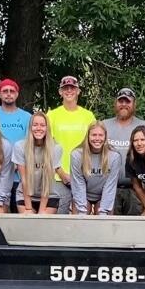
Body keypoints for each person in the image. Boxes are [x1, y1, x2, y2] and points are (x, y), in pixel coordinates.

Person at [46, 75, 95, 213]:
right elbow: (47, 146)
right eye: (65, 88)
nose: (69, 91)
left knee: (81, 216)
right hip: (58, 175)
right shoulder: (52, 115)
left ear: (78, 91)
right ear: (60, 92)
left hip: (83, 174)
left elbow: (95, 144)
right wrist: (60, 172)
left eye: (72, 88)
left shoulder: (88, 116)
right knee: (59, 217)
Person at [102, 88, 145, 215]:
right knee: (109, 229)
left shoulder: (144, 127)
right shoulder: (103, 126)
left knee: (135, 230)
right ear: (115, 103)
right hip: (108, 190)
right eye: (120, 101)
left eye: (127, 102)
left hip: (136, 190)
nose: (124, 104)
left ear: (134, 104)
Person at [12, 112, 65, 214]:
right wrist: (28, 208)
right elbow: (24, 179)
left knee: (42, 222)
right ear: (30, 127)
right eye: (35, 125)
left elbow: (48, 181)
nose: (38, 128)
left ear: (47, 128)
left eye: (42, 125)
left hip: (48, 195)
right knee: (29, 222)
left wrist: (41, 211)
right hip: (25, 195)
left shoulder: (56, 148)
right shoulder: (20, 147)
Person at [0, 78, 32, 211]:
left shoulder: (27, 117)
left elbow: (30, 143)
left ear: (17, 94)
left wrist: (18, 162)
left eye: (12, 91)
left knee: (18, 214)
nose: (8, 94)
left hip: (19, 176)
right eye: (5, 91)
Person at [70, 122, 121, 215]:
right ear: (88, 136)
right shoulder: (77, 155)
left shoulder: (114, 156)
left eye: (100, 135)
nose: (97, 138)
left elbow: (110, 186)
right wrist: (82, 210)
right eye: (94, 135)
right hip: (84, 194)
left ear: (105, 137)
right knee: (80, 219)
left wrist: (103, 212)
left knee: (104, 222)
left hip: (103, 195)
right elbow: (78, 184)